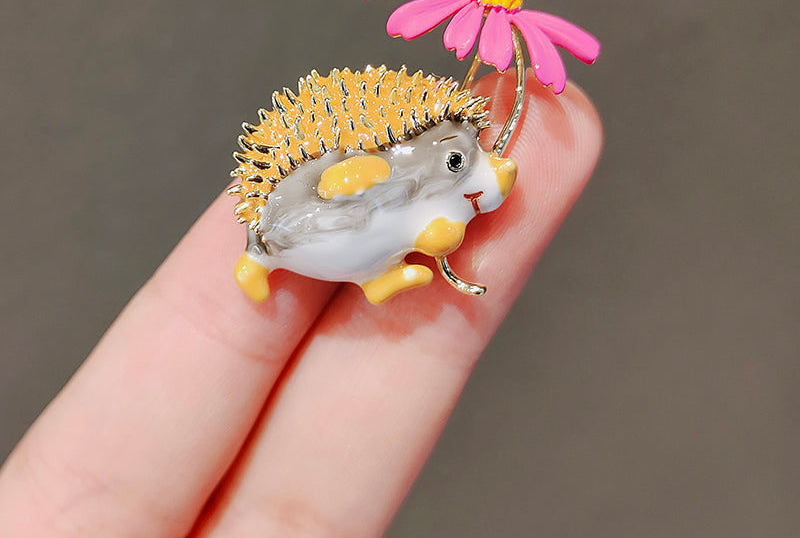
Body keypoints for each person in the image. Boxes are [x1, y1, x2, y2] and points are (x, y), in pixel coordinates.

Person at [0, 71, 601, 537]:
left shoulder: (434, 185)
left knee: (398, 243)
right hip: (313, 227)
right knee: (349, 237)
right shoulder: (369, 173)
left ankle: (358, 277)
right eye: (454, 161)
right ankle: (271, 260)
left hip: (356, 238)